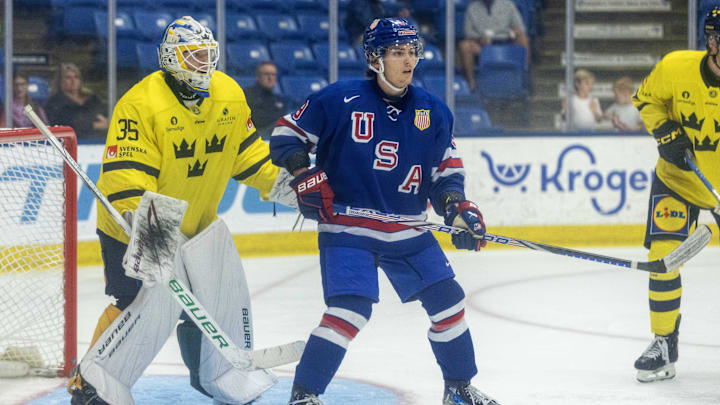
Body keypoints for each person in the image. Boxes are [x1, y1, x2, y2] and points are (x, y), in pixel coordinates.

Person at [270, 18, 500, 405]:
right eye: (398, 52)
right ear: (375, 58)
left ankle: (458, 389)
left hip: (409, 230)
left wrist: (456, 209)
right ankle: (304, 394)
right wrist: (303, 174)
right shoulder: (339, 99)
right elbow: (286, 135)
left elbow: (446, 175)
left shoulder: (434, 111)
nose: (408, 60)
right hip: (348, 226)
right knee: (350, 310)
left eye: (413, 52)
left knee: (449, 303)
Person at [68, 16, 296, 405]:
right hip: (134, 225)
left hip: (196, 224)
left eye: (209, 55)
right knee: (138, 302)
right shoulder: (141, 104)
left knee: (216, 298)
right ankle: (91, 384)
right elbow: (127, 183)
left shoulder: (228, 93)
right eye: (193, 57)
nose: (204, 64)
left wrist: (290, 188)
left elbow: (248, 156)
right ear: (171, 60)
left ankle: (219, 377)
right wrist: (155, 241)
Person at [630, 6, 720, 384]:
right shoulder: (675, 67)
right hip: (678, 181)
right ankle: (664, 342)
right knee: (663, 258)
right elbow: (646, 99)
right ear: (712, 41)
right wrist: (665, 130)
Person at [458, 0, 529, 91]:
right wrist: (480, 38)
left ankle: (524, 77)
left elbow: (520, 28)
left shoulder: (508, 4)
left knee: (523, 39)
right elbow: (468, 33)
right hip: (483, 46)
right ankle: (472, 84)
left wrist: (510, 33)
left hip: (506, 43)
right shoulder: (472, 8)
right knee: (464, 46)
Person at [44, 62, 108, 140]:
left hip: (97, 141)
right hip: (68, 143)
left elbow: (104, 118)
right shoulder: (54, 103)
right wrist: (95, 125)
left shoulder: (92, 100)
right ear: (60, 81)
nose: (73, 80)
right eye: (68, 77)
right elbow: (66, 125)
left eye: (76, 77)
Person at [244, 61, 290, 139]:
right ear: (258, 77)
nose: (270, 78)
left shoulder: (279, 100)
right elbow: (257, 121)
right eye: (266, 74)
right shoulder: (247, 95)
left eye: (273, 75)